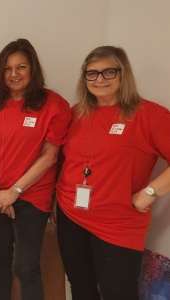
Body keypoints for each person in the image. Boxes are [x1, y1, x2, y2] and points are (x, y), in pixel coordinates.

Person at [55, 46, 170, 300]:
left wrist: (150, 192)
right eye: (91, 73)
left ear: (123, 74)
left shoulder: (149, 115)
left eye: (108, 72)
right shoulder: (76, 113)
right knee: (81, 289)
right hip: (71, 217)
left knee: (118, 294)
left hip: (119, 224)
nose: (99, 80)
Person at [0, 38, 71, 300]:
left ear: (33, 69)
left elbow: (50, 156)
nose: (14, 74)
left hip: (31, 197)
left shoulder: (54, 105)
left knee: (27, 266)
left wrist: (15, 191)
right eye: (7, 68)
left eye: (21, 67)